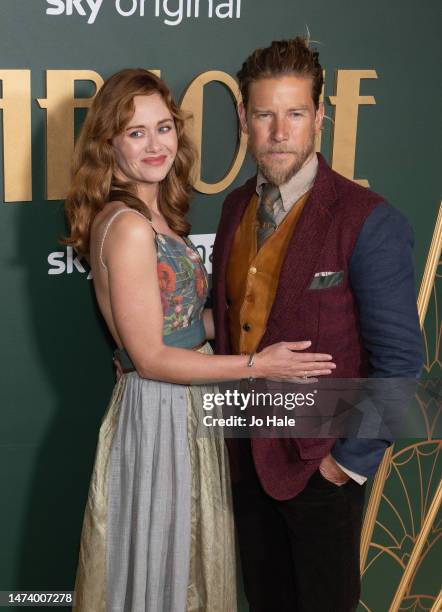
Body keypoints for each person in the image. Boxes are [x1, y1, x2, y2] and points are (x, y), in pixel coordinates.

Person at [63, 68, 336, 612]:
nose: (155, 144)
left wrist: (272, 317)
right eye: (135, 132)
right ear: (108, 143)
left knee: (183, 559)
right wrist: (260, 363)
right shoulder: (130, 226)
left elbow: (185, 325)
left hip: (184, 404)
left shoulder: (155, 214)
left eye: (162, 127)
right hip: (162, 410)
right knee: (163, 566)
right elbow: (152, 357)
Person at [211, 38, 423, 611]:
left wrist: (345, 464)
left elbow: (401, 362)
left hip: (319, 465)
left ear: (319, 119)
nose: (280, 131)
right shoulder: (234, 210)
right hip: (245, 457)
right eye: (265, 114)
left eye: (296, 114)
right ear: (244, 121)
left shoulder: (367, 219)